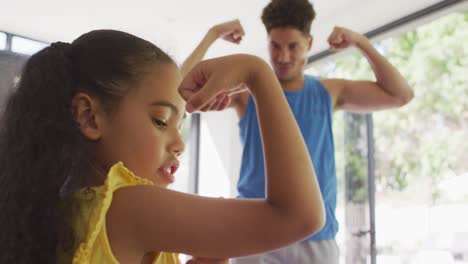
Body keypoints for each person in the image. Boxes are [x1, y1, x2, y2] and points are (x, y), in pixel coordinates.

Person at [0, 29, 326, 264]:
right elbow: (299, 216)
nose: (180, 144)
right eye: (160, 121)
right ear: (90, 117)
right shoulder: (128, 206)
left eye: (179, 125)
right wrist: (258, 74)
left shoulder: (56, 211)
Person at [183, 1, 414, 263]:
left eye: (293, 46)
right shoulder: (246, 94)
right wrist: (212, 34)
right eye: (275, 46)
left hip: (315, 236)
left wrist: (361, 42)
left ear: (309, 45)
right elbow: (181, 86)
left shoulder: (328, 92)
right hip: (256, 232)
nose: (282, 57)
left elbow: (400, 95)